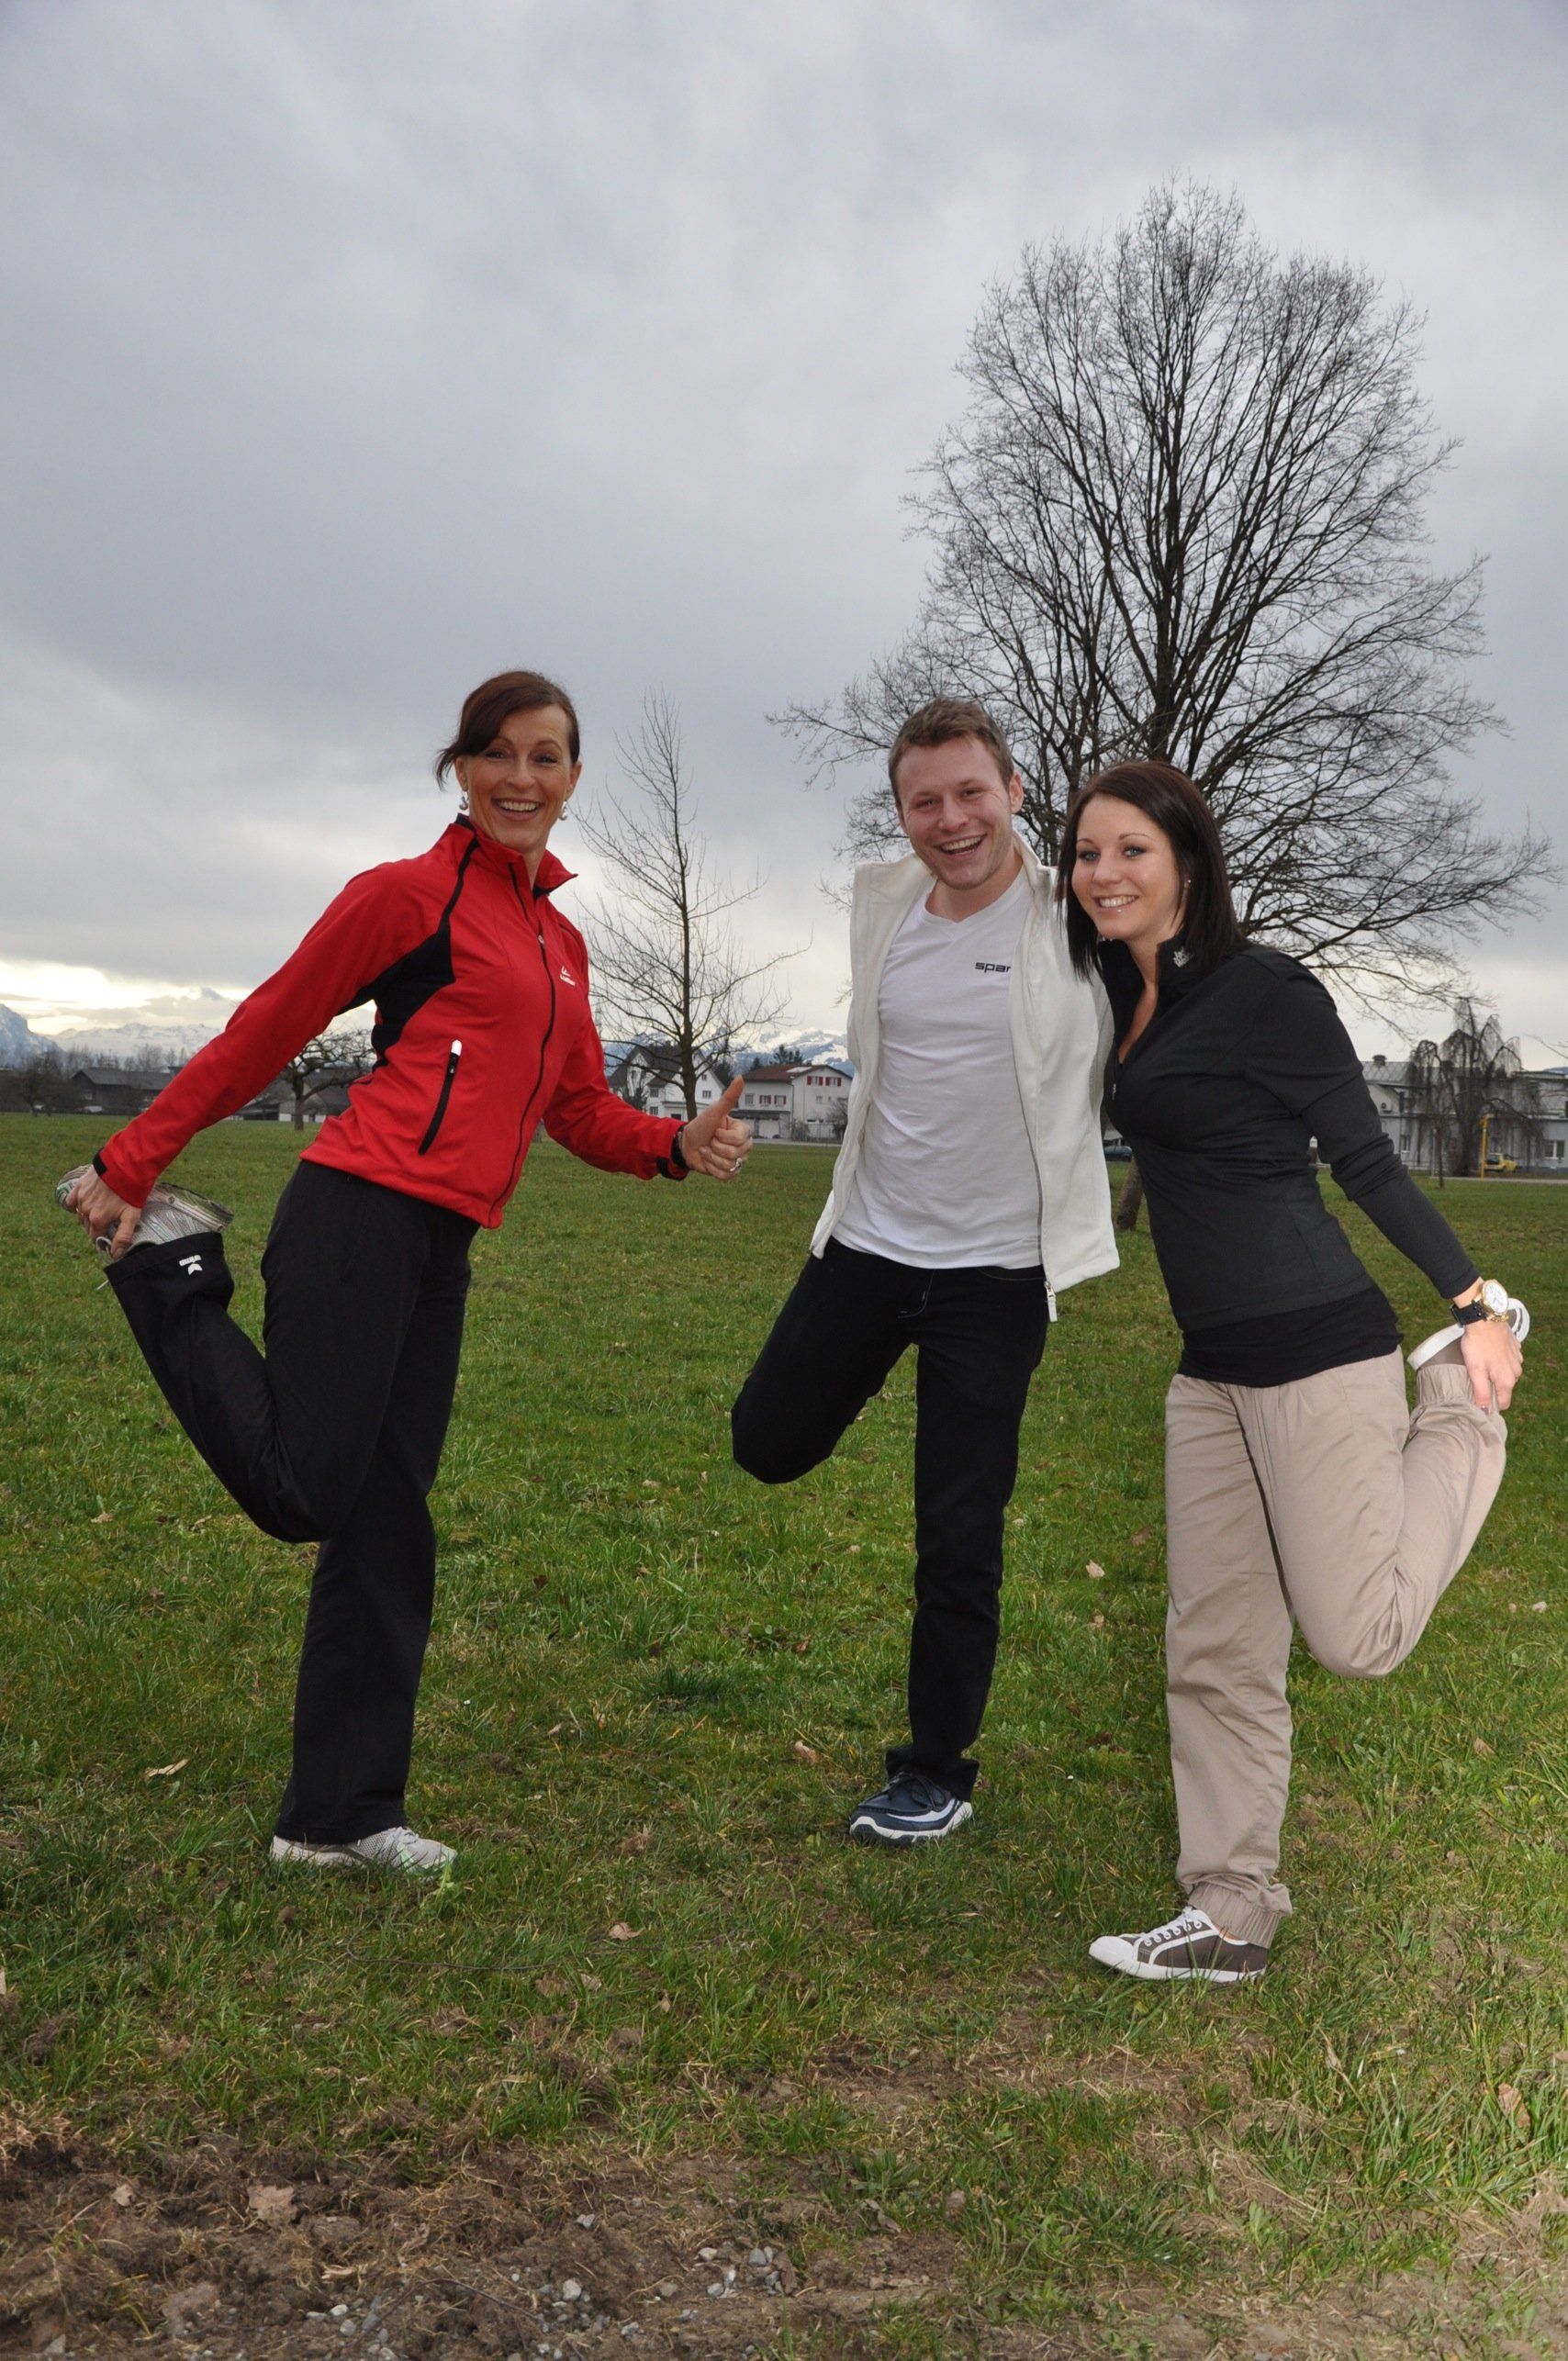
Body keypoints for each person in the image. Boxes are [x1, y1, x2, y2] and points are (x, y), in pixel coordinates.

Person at [59, 670, 751, 1874]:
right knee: (307, 1493)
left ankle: (336, 1817)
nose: (521, 778)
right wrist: (133, 1160)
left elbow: (578, 1107)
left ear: (573, 779)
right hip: (357, 1214)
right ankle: (168, 1266)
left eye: (545, 757)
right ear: (461, 768)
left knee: (386, 1524)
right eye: (498, 754)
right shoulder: (405, 897)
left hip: (440, 1249)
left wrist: (673, 1146)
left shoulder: (561, 945)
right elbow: (269, 1026)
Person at [1059, 762, 1526, 1981]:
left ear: (1188, 863)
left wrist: (1472, 1304)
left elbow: (1365, 1161)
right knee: (1214, 1646)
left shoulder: (1266, 990)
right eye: (1087, 852)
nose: (1103, 873)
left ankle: (1461, 1406)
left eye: (1131, 850)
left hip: (1318, 1347)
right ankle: (1229, 1911)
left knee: (1357, 1634)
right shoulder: (1117, 990)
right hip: (1210, 1372)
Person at [731, 699, 1117, 1842]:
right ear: (901, 810)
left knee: (958, 1533)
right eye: (924, 800)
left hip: (993, 1277)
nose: (950, 820)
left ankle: (934, 1770)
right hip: (867, 1245)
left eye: (969, 792)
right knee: (765, 1441)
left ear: (1012, 790)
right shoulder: (886, 904)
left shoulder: (1076, 921)